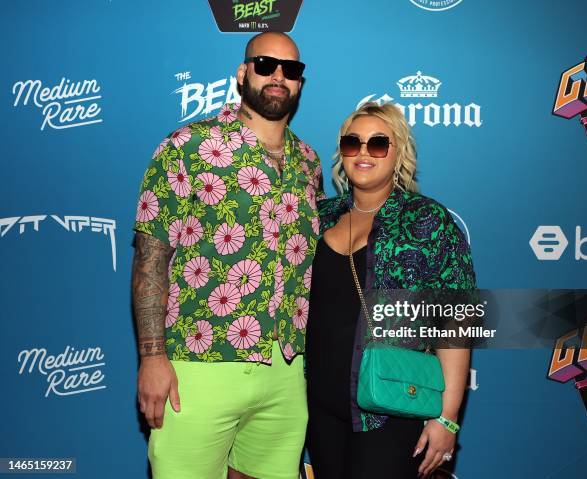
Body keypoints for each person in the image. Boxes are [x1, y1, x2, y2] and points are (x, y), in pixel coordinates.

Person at [131, 31, 324, 479]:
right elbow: (151, 260)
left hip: (285, 370)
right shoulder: (187, 147)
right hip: (199, 364)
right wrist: (153, 358)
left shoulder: (308, 163)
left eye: (291, 70)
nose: (278, 75)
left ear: (299, 85)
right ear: (242, 74)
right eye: (265, 65)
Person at [305, 102, 476, 478]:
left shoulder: (427, 221)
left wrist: (447, 418)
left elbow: (457, 323)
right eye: (353, 143)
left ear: (399, 153)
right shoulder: (320, 217)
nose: (364, 152)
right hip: (319, 410)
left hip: (393, 408)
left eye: (378, 143)